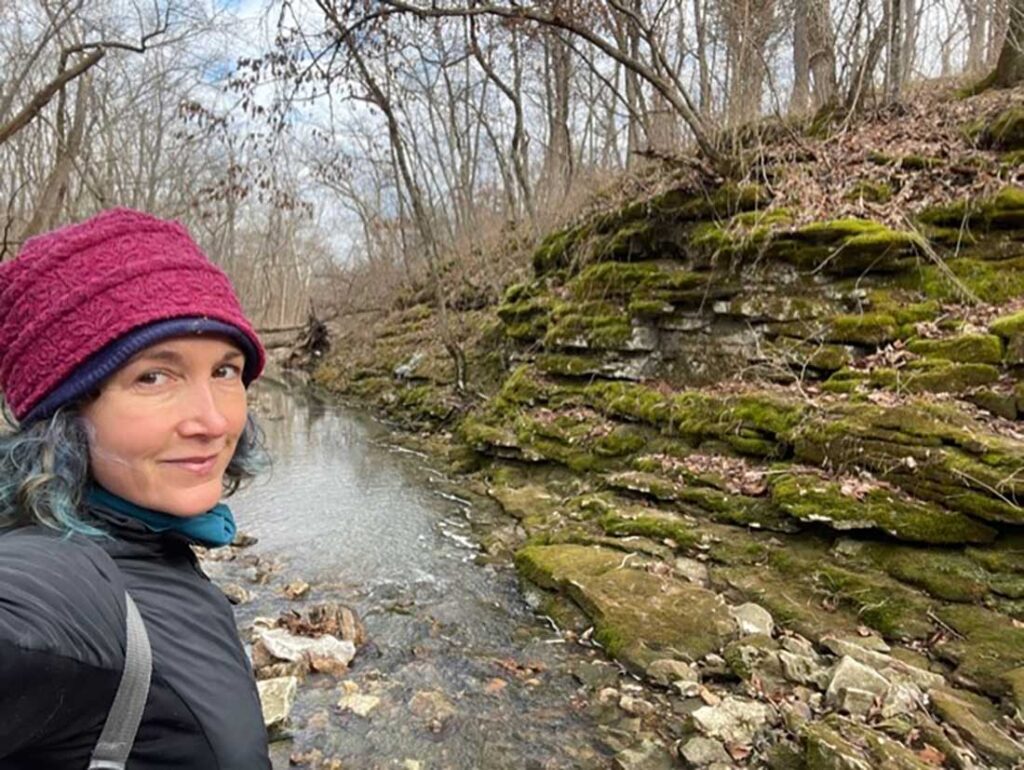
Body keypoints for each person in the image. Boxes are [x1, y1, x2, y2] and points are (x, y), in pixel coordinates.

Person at [0, 208, 273, 769]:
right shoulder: (66, 592)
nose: (213, 422)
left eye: (225, 370)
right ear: (67, 415)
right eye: (154, 376)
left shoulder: (151, 538)